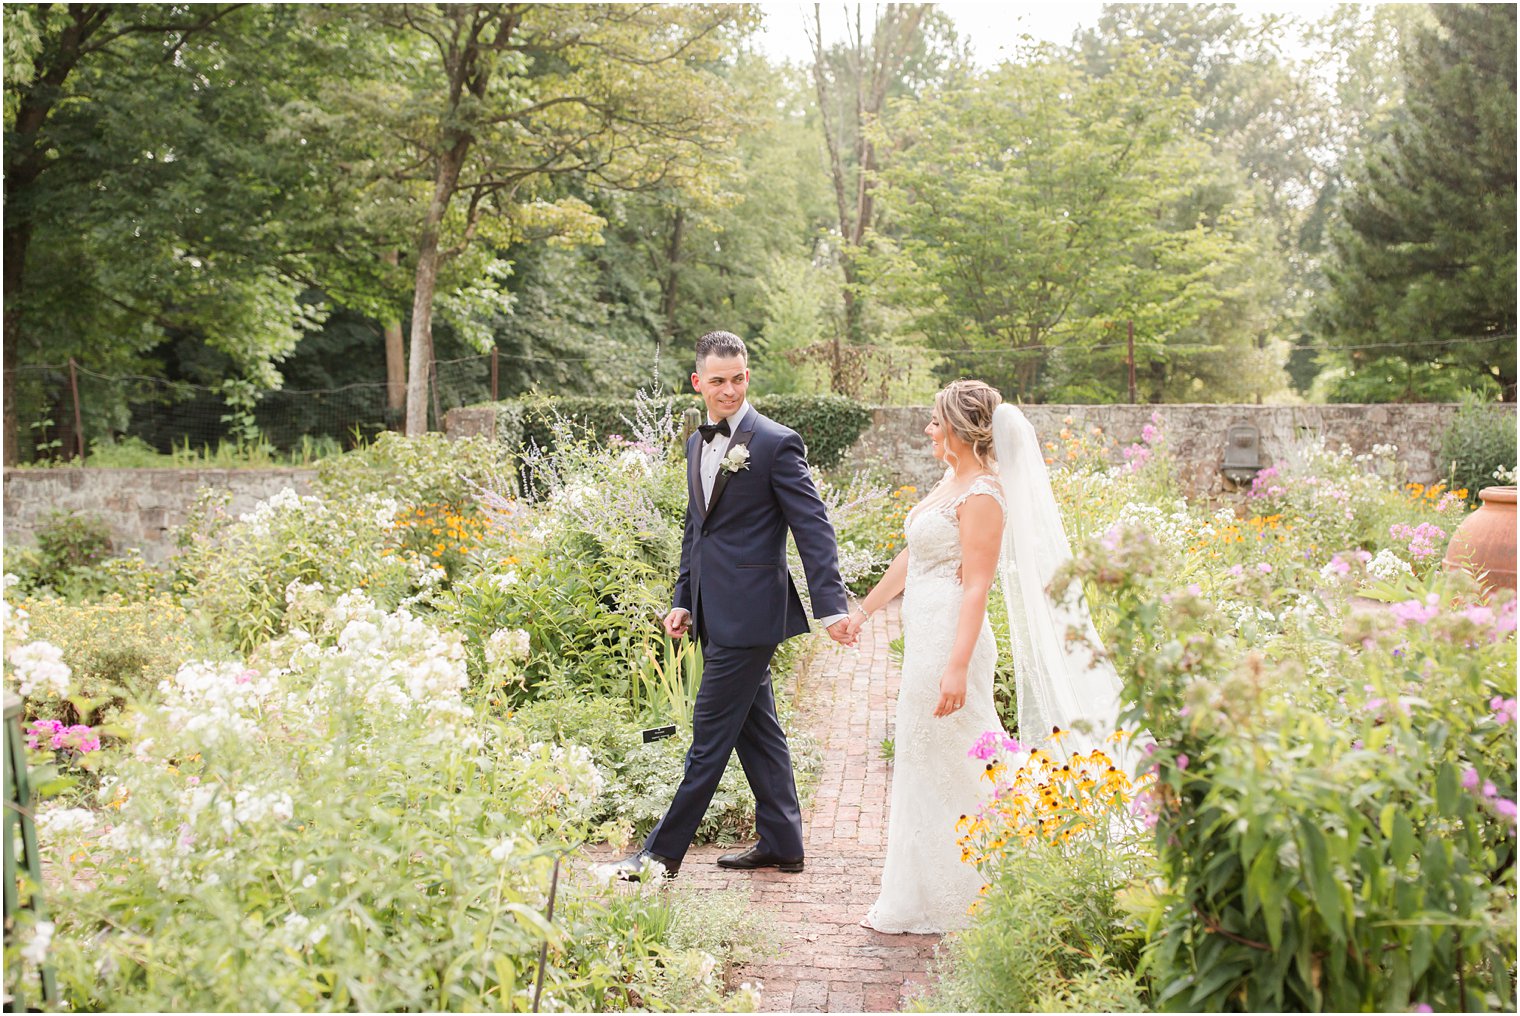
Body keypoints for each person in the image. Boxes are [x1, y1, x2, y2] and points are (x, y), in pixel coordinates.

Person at [846, 379, 1130, 933]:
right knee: (928, 753)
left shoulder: (983, 494)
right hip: (925, 633)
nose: (928, 429)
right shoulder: (951, 480)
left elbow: (976, 586)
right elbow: (914, 555)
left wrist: (956, 665)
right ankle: (930, 885)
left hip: (952, 638)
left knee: (965, 750)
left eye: (934, 421)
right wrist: (863, 611)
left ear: (956, 428)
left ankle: (1022, 859)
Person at [602, 331, 856, 882]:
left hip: (751, 616)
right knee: (757, 730)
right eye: (718, 381)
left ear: (747, 376)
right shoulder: (697, 444)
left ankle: (657, 858)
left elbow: (813, 527)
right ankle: (783, 844)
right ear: (698, 382)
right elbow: (698, 530)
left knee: (707, 738)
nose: (730, 390)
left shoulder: (775, 442)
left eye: (738, 378)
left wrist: (830, 605)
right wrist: (683, 601)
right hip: (713, 612)